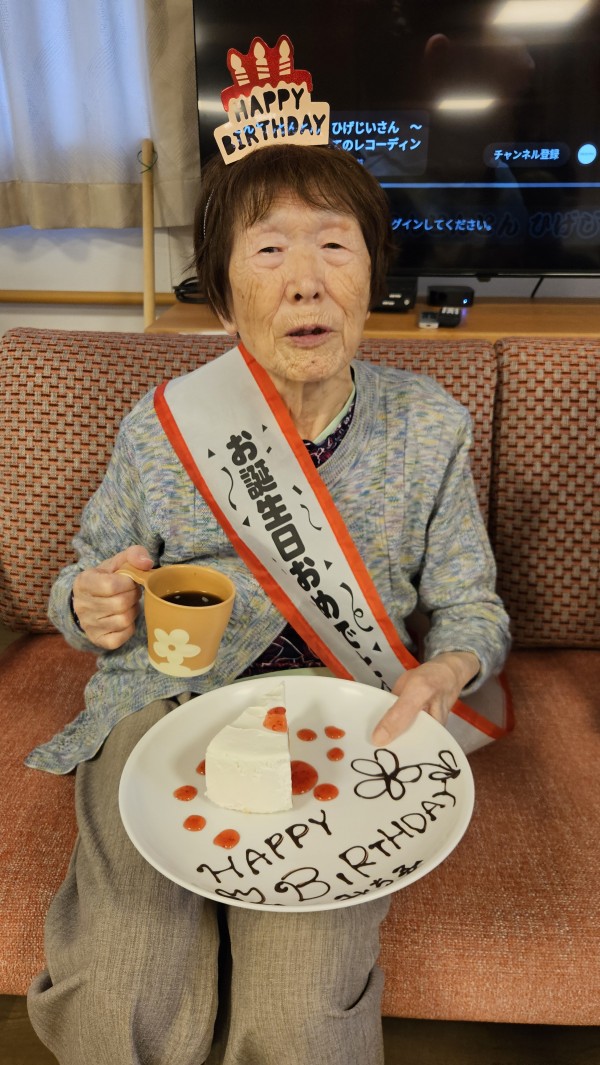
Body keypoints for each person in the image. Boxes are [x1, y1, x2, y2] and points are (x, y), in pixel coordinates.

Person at [27, 141, 510, 1064]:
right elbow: (84, 577)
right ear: (222, 295)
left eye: (334, 245)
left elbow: (470, 607)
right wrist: (91, 604)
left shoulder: (430, 427)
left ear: (371, 277)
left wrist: (450, 666)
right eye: (269, 250)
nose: (306, 282)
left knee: (299, 1011)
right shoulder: (164, 425)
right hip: (163, 701)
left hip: (342, 713)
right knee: (121, 985)